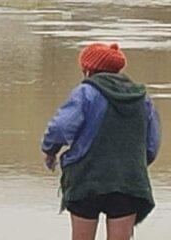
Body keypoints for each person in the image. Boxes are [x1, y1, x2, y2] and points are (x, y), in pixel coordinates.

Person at [41, 43, 160, 240]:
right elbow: (151, 144)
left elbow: (61, 128)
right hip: (128, 181)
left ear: (88, 69)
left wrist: (50, 150)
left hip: (87, 180)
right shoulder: (141, 97)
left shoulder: (85, 92)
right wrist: (132, 165)